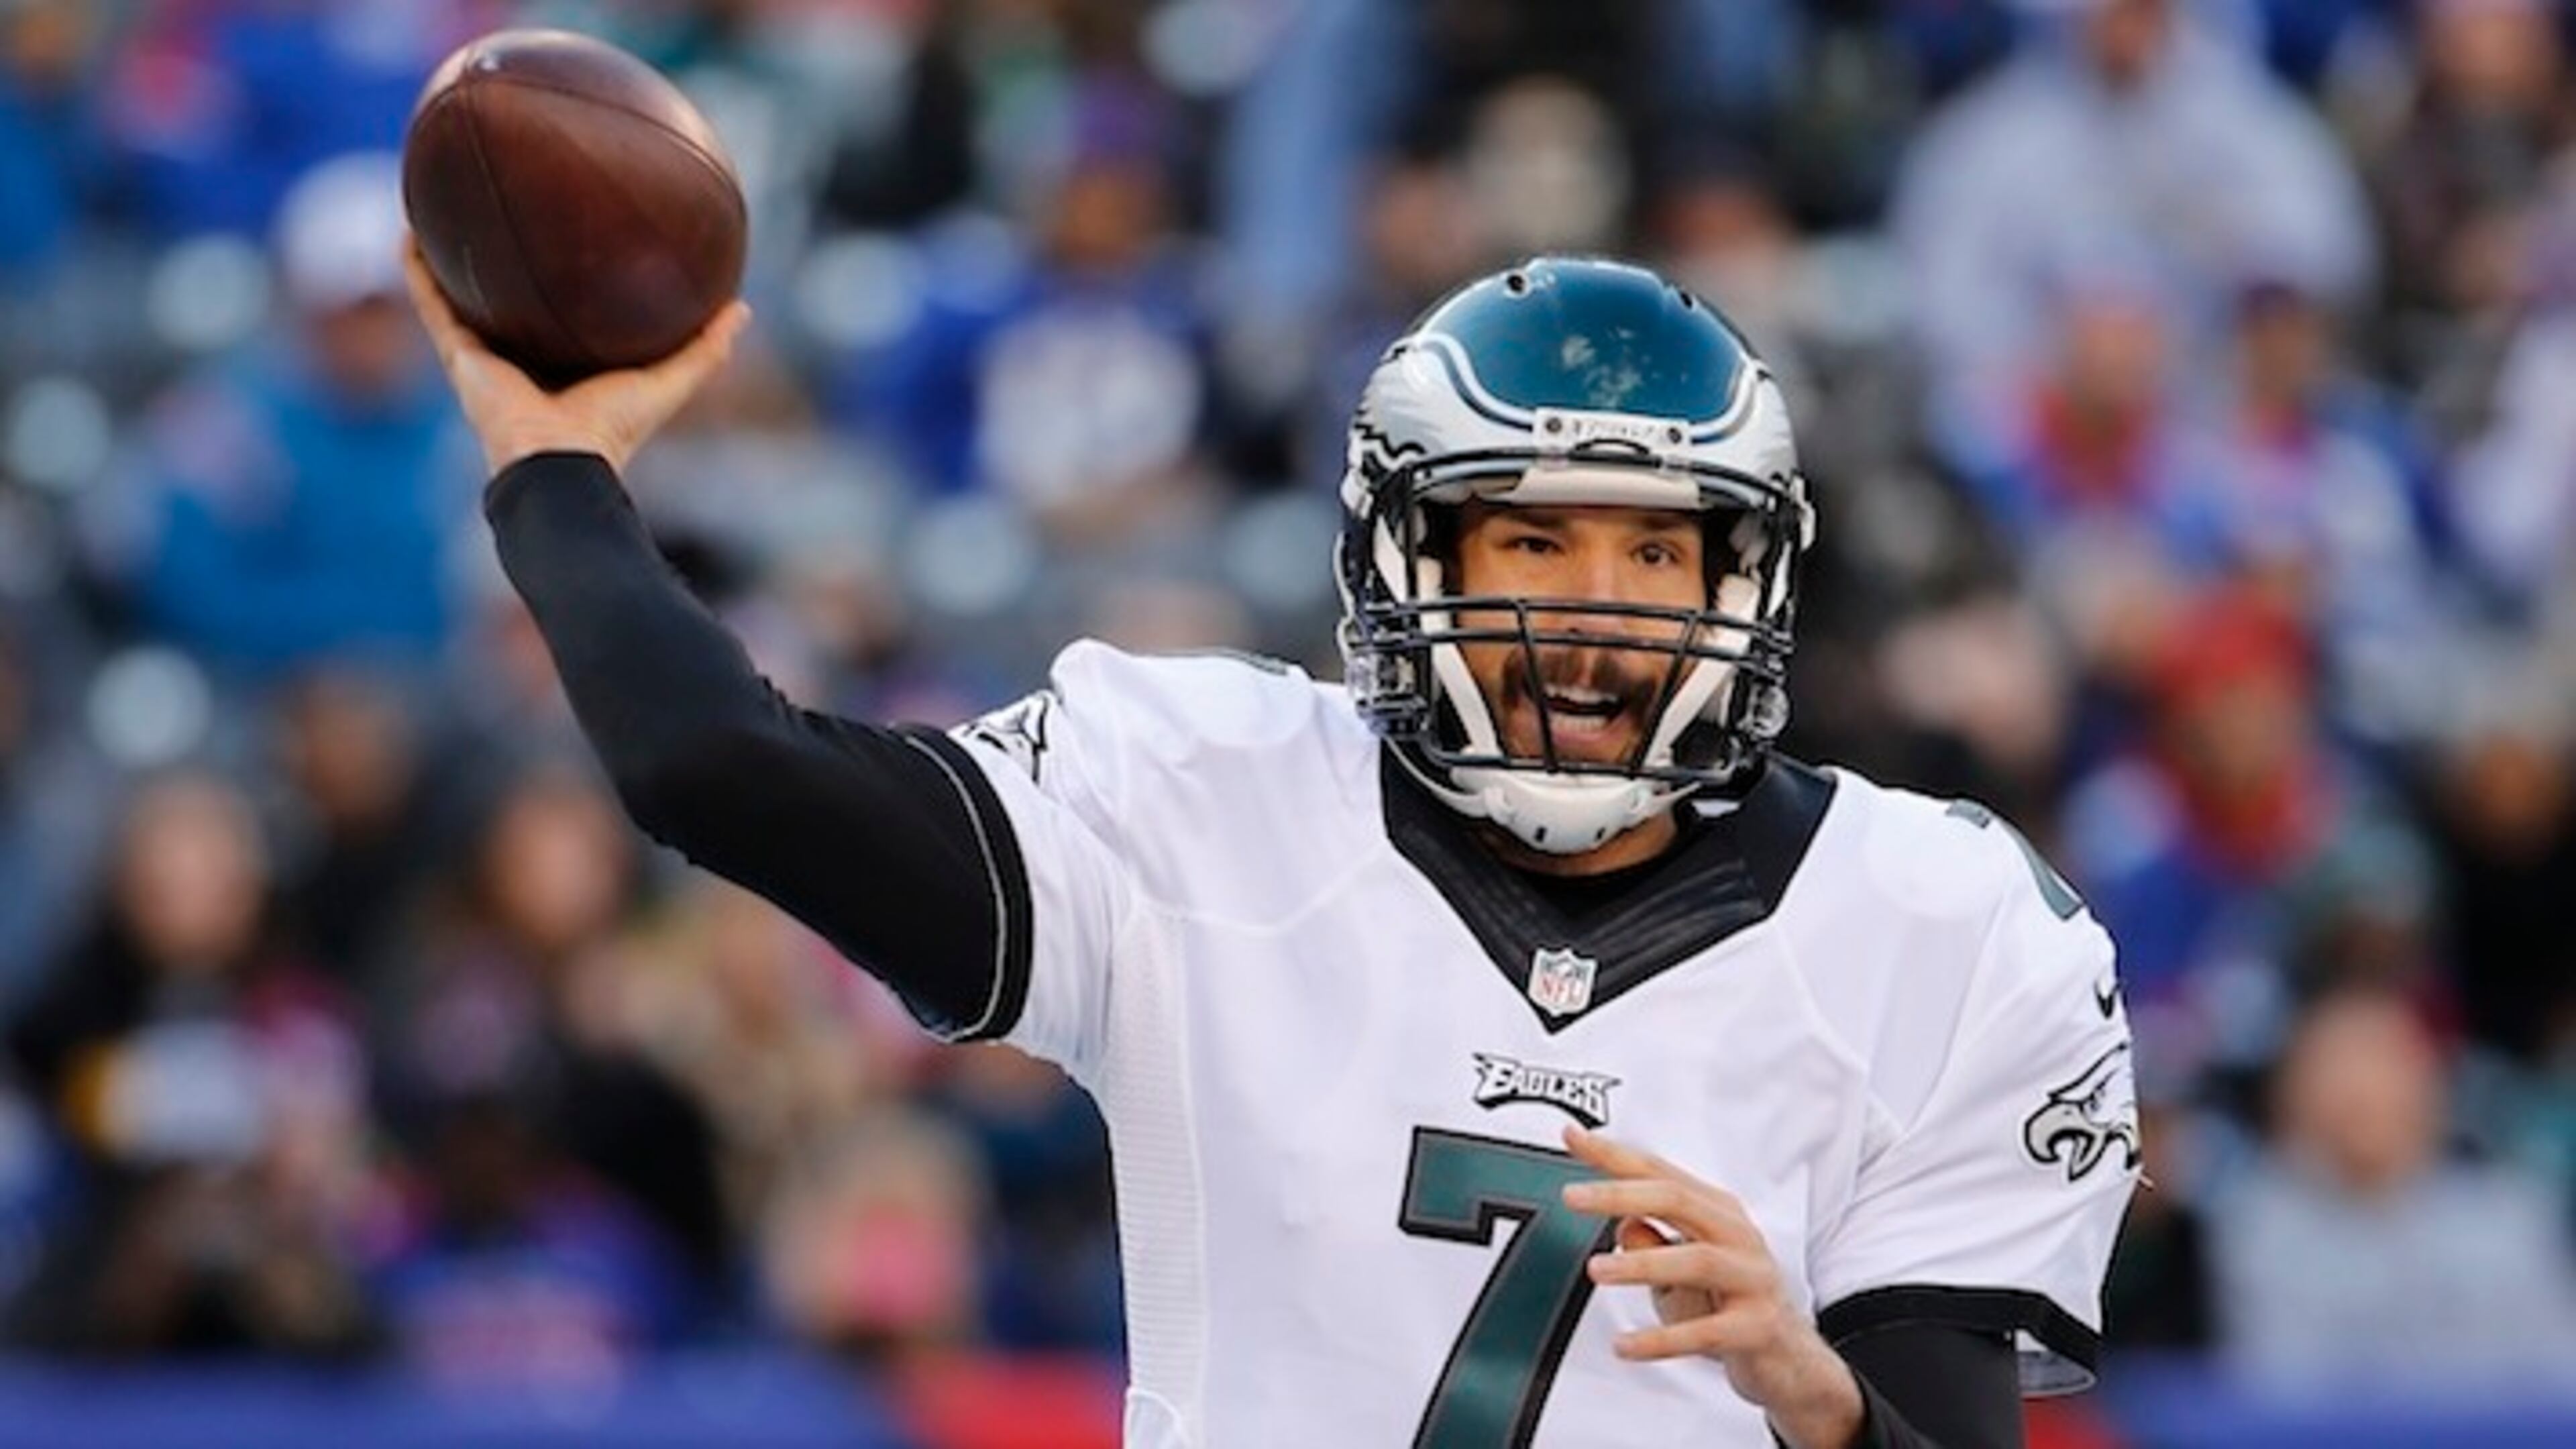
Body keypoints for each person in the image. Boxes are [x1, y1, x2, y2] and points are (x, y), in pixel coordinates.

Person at [407, 250, 2139, 1448]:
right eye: (1527, 542)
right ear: (1404, 560)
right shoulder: (1203, 800)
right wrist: (559, 479)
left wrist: (1813, 1396)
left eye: (1656, 555)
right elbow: (724, 768)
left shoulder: (1947, 930)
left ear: (1741, 585)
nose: (1593, 619)